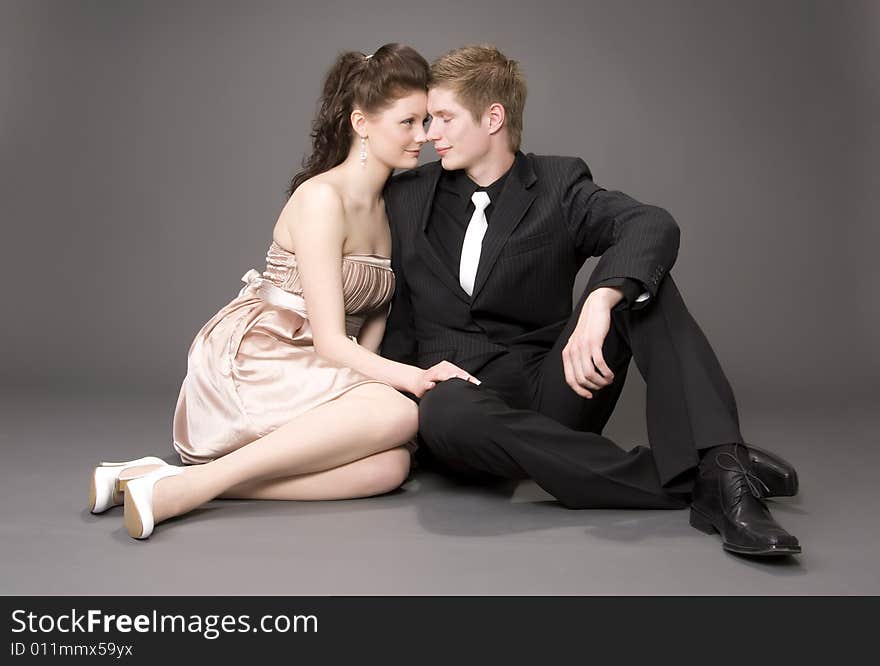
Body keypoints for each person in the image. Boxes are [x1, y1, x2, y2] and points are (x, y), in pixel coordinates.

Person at [380, 44, 801, 557]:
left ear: (493, 117)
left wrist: (601, 299)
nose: (429, 135)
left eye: (443, 118)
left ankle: (720, 466)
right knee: (444, 411)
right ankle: (705, 473)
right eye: (426, 120)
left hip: (554, 389)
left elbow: (651, 223)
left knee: (645, 287)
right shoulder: (407, 195)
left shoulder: (557, 185)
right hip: (462, 408)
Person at [87, 43, 478, 540]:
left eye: (426, 122)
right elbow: (333, 341)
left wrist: (366, 388)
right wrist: (411, 379)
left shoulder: (392, 205)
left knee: (389, 470)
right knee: (401, 412)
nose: (424, 136)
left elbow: (373, 318)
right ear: (361, 124)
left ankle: (166, 480)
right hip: (261, 356)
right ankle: (181, 492)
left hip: (321, 364)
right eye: (408, 123)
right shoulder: (321, 198)